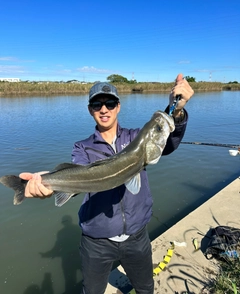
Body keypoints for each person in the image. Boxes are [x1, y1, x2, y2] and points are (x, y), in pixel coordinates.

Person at [20, 74, 194, 294]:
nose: (104, 109)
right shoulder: (82, 147)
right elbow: (79, 172)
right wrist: (48, 181)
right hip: (96, 242)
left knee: (145, 288)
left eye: (110, 103)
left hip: (136, 237)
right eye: (97, 104)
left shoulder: (135, 137)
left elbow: (166, 143)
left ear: (118, 107)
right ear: (90, 110)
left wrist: (176, 109)